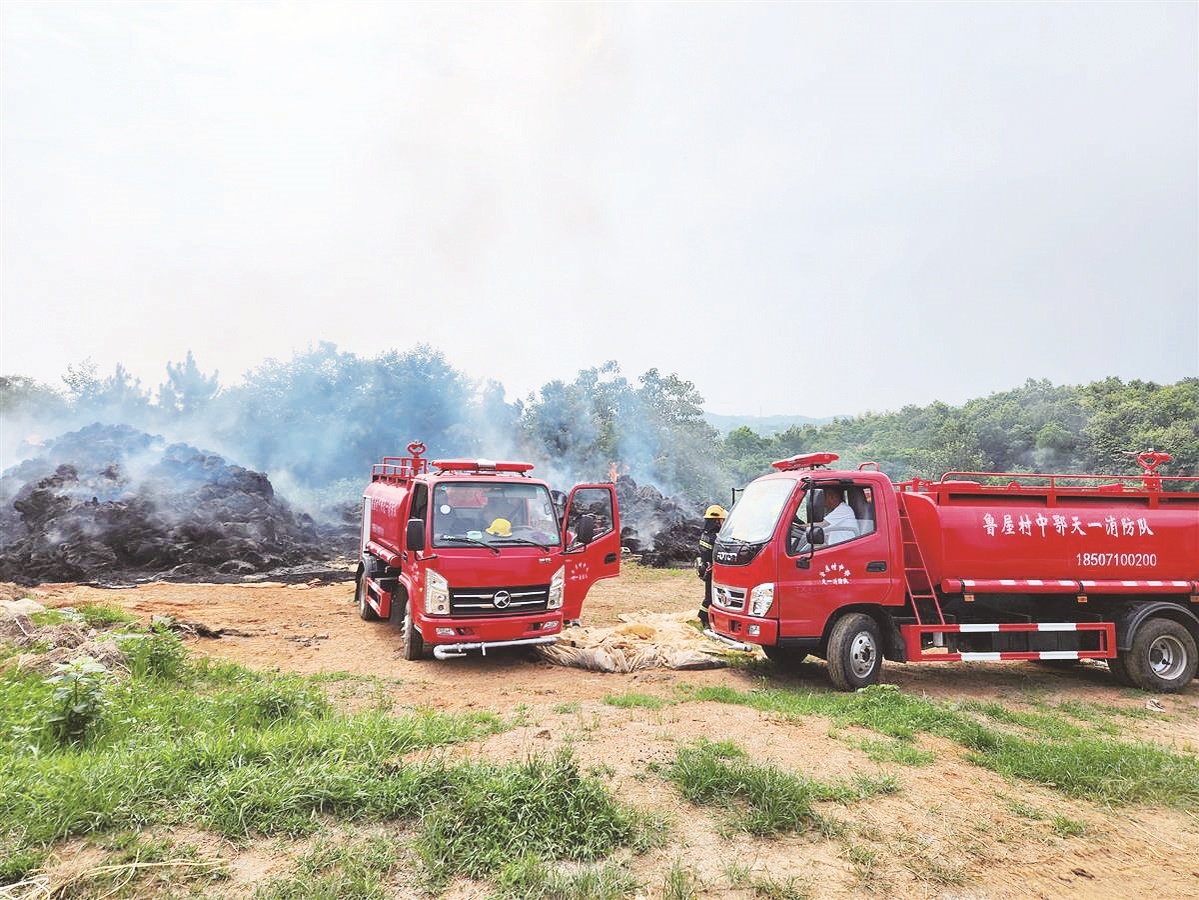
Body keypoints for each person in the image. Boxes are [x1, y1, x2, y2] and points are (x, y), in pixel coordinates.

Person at [696, 504, 727, 629]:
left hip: (705, 568)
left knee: (709, 595)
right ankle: (704, 619)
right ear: (716, 521)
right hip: (712, 571)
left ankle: (705, 617)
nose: (722, 522)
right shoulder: (715, 537)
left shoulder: (705, 534)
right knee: (710, 597)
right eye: (721, 520)